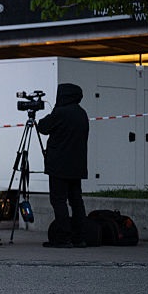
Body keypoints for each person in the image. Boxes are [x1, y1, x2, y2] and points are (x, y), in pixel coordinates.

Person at [37, 83, 90, 248]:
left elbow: (43, 127)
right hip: (77, 165)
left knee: (58, 200)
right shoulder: (82, 113)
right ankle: (80, 237)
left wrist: (52, 112)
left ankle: (63, 237)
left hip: (59, 165)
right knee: (76, 201)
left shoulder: (60, 112)